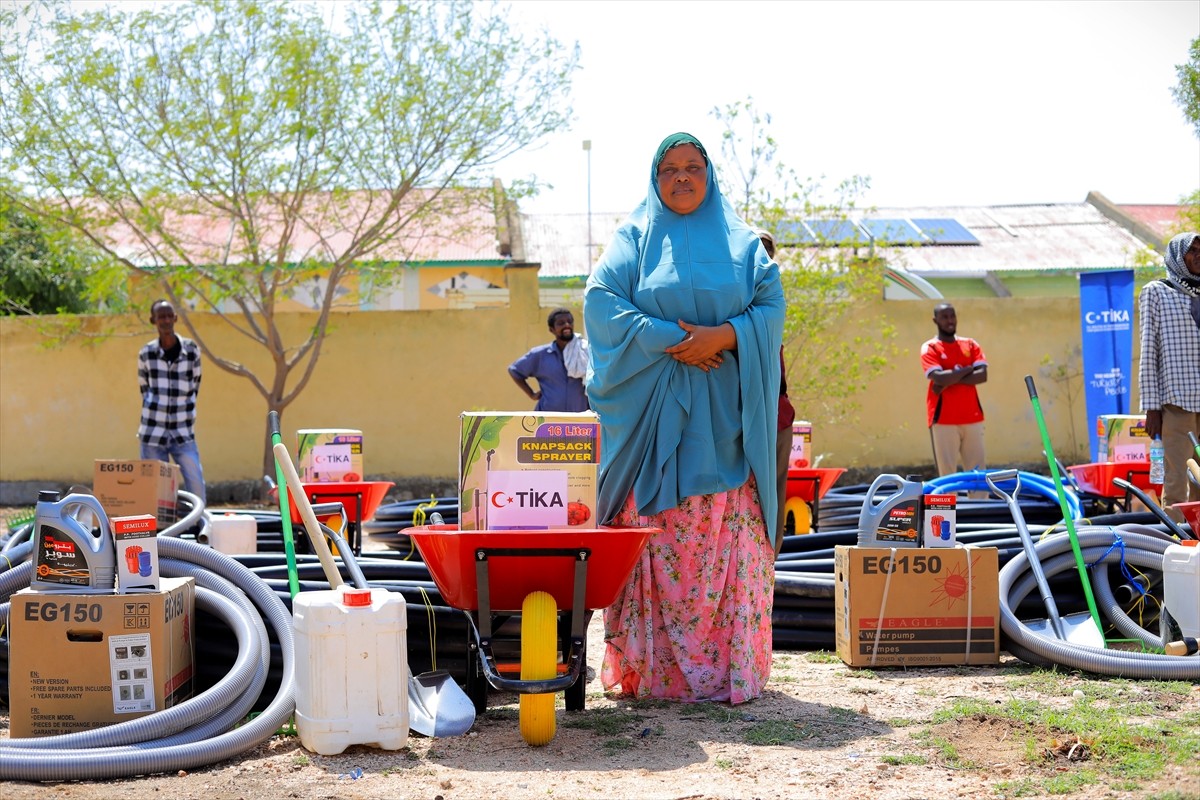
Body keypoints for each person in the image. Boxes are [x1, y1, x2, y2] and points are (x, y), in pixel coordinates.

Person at [583, 132, 783, 705]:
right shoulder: (634, 239)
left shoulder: (743, 244)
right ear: (655, 179)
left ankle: (727, 672)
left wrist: (724, 335)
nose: (681, 177)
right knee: (654, 537)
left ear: (710, 176)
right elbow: (601, 300)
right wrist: (672, 340)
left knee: (724, 540)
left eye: (693, 167)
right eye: (669, 169)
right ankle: (650, 672)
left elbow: (771, 306)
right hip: (652, 428)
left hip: (727, 427)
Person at [1138, 231, 1200, 514]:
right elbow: (1149, 353)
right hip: (1177, 406)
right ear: (1178, 257)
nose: (1198, 255)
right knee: (1177, 483)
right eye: (1192, 250)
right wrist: (1151, 408)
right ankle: (1177, 545)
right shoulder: (1157, 292)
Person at [137, 298, 206, 504]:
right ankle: (161, 534)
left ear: (175, 318)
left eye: (169, 315)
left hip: (183, 433)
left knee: (196, 484)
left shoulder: (192, 351)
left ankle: (201, 530)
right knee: (154, 492)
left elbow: (195, 385)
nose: (166, 320)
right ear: (153, 320)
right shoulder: (146, 353)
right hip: (153, 434)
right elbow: (144, 388)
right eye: (161, 316)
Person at [757, 229, 795, 557]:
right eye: (755, 247)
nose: (762, 254)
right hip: (741, 411)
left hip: (777, 412)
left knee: (775, 488)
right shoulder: (732, 291)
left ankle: (771, 556)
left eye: (767, 249)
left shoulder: (774, 291)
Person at [921, 303, 988, 479]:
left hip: (972, 417)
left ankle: (980, 507)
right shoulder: (930, 347)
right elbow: (938, 378)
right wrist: (967, 370)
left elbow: (982, 376)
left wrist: (950, 378)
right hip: (943, 420)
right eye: (944, 317)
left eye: (952, 316)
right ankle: (944, 509)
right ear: (935, 320)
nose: (950, 320)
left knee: (977, 475)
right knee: (946, 476)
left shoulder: (971, 344)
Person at [507, 307, 590, 412]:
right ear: (552, 329)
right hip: (548, 419)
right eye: (561, 323)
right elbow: (514, 371)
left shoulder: (585, 351)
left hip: (580, 419)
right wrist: (532, 394)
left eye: (570, 322)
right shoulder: (540, 355)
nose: (567, 325)